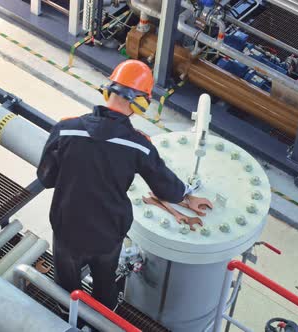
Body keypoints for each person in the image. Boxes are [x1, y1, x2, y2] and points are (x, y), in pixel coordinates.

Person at [37, 59, 213, 310]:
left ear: (108, 90)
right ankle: (104, 319)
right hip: (107, 234)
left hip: (67, 228)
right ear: (140, 102)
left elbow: (46, 178)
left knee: (65, 287)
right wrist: (188, 196)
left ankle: (65, 316)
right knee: (105, 285)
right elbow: (166, 188)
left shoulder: (65, 129)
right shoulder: (139, 145)